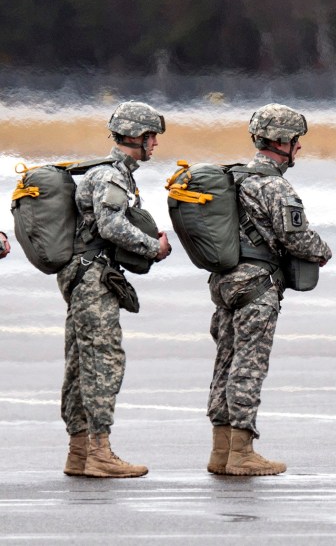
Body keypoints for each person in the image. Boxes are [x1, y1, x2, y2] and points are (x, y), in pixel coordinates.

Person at [206, 104, 331, 476]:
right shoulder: (274, 185)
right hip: (257, 287)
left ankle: (220, 451)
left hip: (226, 283)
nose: (299, 149)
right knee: (249, 365)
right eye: (296, 141)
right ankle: (242, 452)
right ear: (282, 142)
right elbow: (296, 237)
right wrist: (323, 251)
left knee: (225, 363)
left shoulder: (233, 178)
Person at [59, 101, 171, 478]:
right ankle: (100, 453)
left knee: (80, 364)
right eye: (152, 137)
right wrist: (152, 247)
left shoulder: (104, 172)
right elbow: (111, 227)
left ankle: (79, 453)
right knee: (103, 362)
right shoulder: (111, 176)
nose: (155, 144)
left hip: (81, 277)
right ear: (137, 136)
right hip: (94, 278)